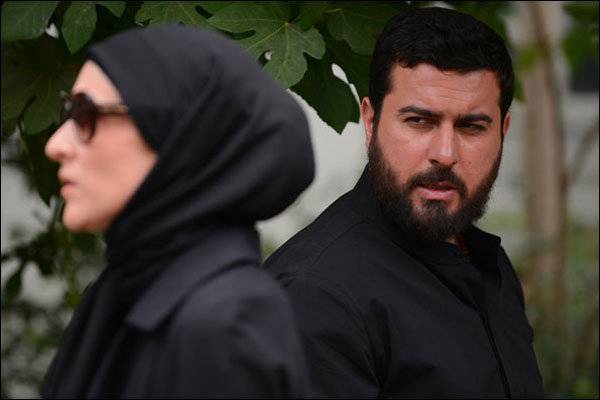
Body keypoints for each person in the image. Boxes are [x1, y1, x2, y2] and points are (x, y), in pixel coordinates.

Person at [265, 7, 544, 398]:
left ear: (503, 131)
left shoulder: (488, 262)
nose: (445, 154)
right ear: (370, 122)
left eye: (471, 127)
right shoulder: (314, 295)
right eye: (419, 121)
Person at [42, 24, 314, 398]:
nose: (55, 145)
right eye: (67, 113)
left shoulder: (225, 325)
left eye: (86, 114)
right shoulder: (120, 292)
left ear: (178, 136)